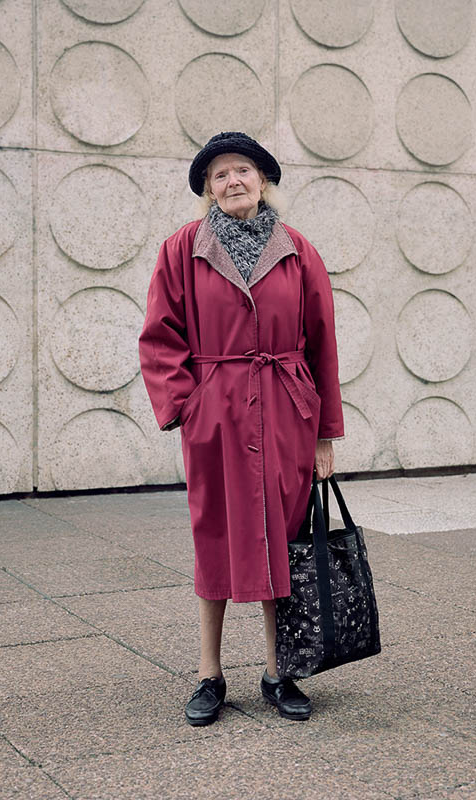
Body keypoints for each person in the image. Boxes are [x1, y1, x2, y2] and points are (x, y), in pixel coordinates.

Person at [138, 131, 344, 726]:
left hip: (285, 412)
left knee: (283, 537)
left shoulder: (298, 249)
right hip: (218, 415)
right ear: (207, 187)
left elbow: (322, 343)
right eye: (220, 174)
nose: (233, 181)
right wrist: (187, 407)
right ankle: (210, 673)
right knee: (216, 536)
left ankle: (280, 671)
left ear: (263, 181)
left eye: (243, 171)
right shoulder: (183, 248)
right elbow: (159, 335)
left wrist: (325, 433)